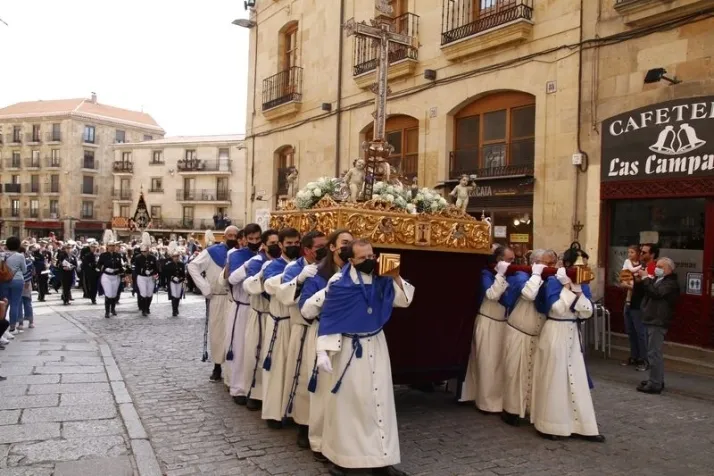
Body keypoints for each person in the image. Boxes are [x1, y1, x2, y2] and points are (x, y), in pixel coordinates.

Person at [316, 238, 414, 476]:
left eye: (372, 256)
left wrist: (395, 276)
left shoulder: (382, 278)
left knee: (380, 403)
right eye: (363, 258)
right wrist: (323, 351)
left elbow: (405, 300)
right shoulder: (339, 282)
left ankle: (382, 460)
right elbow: (331, 317)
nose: (369, 261)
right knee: (349, 406)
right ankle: (344, 461)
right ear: (351, 260)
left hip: (377, 345)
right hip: (350, 349)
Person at [530, 246, 604, 443]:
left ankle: (583, 425)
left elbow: (587, 312)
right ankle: (549, 424)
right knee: (554, 378)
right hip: (555, 331)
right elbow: (557, 308)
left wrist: (578, 290)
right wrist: (567, 289)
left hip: (572, 333)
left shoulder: (582, 284)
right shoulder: (553, 282)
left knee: (576, 378)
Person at [299, 228, 353, 462]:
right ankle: (319, 440)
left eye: (352, 242)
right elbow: (306, 310)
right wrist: (331, 287)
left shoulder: (356, 271)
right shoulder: (318, 274)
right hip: (324, 334)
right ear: (332, 247)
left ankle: (341, 441)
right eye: (344, 243)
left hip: (350, 338)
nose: (348, 247)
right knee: (322, 391)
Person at [275, 230, 328, 448]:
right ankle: (303, 425)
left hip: (325, 329)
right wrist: (299, 279)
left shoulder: (329, 266)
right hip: (303, 329)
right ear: (307, 250)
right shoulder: (294, 267)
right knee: (303, 379)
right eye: (319, 248)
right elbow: (283, 295)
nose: (324, 251)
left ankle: (321, 425)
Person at [251, 227, 301, 429]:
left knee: (294, 367)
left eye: (296, 243)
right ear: (280, 245)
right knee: (276, 367)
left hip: (296, 322)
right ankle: (273, 412)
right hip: (279, 321)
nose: (293, 246)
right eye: (289, 244)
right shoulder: (274, 265)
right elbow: (270, 289)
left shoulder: (301, 264)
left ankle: (291, 410)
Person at [501, 249, 556, 426]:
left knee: (534, 375)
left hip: (538, 335)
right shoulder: (521, 275)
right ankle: (511, 410)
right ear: (535, 263)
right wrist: (537, 274)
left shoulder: (551, 279)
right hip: (519, 331)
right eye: (546, 264)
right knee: (515, 373)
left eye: (552, 264)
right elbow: (529, 294)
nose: (550, 268)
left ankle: (531, 410)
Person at [460, 245, 515, 413]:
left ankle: (500, 399)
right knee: (487, 363)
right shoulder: (486, 274)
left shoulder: (512, 274)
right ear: (498, 260)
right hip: (488, 322)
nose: (512, 263)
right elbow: (491, 295)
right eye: (509, 260)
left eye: (513, 260)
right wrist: (500, 274)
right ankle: (486, 402)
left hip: (503, 323)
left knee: (500, 364)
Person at [188, 225, 240, 383]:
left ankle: (234, 369)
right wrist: (205, 287)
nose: (232, 238)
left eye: (235, 236)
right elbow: (192, 266)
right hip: (217, 297)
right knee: (217, 332)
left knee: (235, 334)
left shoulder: (241, 253)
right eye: (229, 235)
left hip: (235, 299)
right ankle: (217, 366)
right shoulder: (212, 252)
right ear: (223, 237)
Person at [241, 229, 281, 412]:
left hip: (275, 317)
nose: (276, 246)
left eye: (278, 242)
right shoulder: (257, 262)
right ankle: (253, 392)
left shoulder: (283, 263)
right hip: (259, 313)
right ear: (264, 245)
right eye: (272, 243)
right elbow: (251, 286)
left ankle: (269, 395)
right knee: (255, 354)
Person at [223, 223, 262, 405]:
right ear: (244, 239)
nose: (254, 242)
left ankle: (253, 387)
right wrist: (248, 265)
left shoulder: (263, 255)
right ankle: (237, 387)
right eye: (251, 239)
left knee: (253, 349)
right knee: (238, 347)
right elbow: (231, 279)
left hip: (256, 309)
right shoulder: (236, 255)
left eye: (257, 238)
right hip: (241, 306)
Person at [637, 257, 680, 394]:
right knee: (652, 352)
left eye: (660, 267)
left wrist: (646, 279)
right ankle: (655, 379)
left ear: (668, 269)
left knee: (654, 352)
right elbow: (648, 291)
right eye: (657, 266)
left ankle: (655, 383)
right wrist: (642, 280)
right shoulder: (658, 279)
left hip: (658, 320)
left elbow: (656, 293)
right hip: (651, 318)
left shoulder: (671, 283)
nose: (657, 268)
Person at [620, 245, 647, 371]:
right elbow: (623, 281)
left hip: (637, 303)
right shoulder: (627, 264)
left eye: (632, 252)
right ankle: (634, 356)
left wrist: (632, 285)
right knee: (631, 331)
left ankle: (643, 358)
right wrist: (627, 284)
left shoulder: (643, 266)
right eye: (628, 252)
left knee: (640, 331)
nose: (629, 254)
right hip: (628, 301)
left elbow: (641, 285)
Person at [98, 241, 125, 318]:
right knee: (108, 294)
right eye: (110, 246)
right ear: (107, 246)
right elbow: (99, 265)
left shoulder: (118, 255)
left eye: (113, 246)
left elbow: (120, 266)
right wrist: (105, 269)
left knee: (114, 294)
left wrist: (122, 273)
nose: (112, 247)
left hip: (115, 276)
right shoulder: (103, 255)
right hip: (106, 276)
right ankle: (107, 311)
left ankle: (113, 309)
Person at [134, 242, 159, 317]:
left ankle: (147, 307)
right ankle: (143, 309)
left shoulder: (153, 257)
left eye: (146, 251)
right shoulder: (138, 258)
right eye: (143, 252)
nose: (144, 253)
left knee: (149, 293)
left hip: (150, 277)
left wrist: (155, 274)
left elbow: (156, 268)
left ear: (148, 250)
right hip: (142, 277)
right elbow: (136, 269)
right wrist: (142, 271)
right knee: (143, 293)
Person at [163, 249, 186, 317]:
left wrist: (182, 278)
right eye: (174, 256)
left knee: (178, 296)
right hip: (172, 281)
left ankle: (176, 308)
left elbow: (183, 274)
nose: (176, 258)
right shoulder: (169, 265)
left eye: (177, 256)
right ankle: (174, 310)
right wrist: (172, 278)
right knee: (174, 295)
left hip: (179, 281)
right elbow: (166, 274)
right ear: (172, 257)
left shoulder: (181, 264)